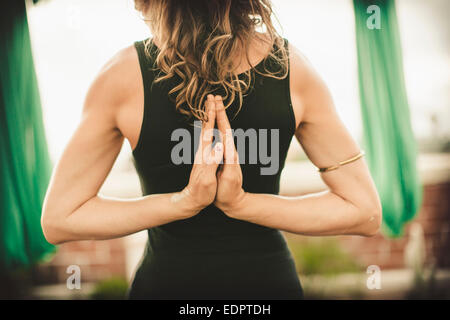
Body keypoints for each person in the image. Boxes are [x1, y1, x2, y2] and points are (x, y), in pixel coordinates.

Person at [41, 0, 382, 299]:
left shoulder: (120, 76)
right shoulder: (293, 69)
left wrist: (215, 203)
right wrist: (203, 202)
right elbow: (363, 210)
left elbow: (61, 218)